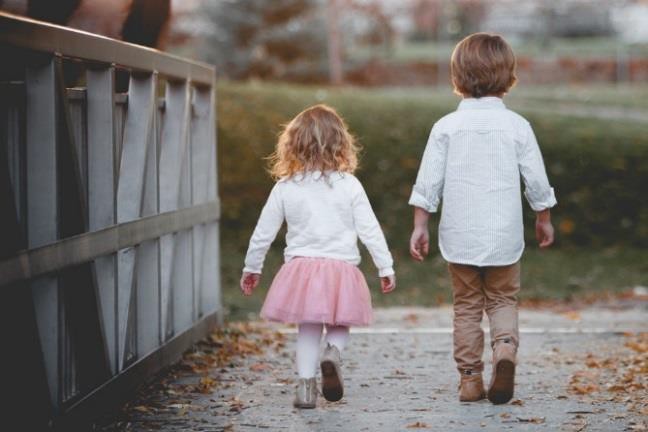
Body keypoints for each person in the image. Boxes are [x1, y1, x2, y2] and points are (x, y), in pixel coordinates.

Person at [408, 33, 557, 404]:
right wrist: (544, 217)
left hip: (460, 236)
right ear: (508, 75)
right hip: (503, 234)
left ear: (457, 75)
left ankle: (470, 380)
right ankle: (504, 349)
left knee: (467, 307)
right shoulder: (517, 126)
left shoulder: (445, 127)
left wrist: (420, 224)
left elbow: (428, 182)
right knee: (503, 299)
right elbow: (536, 179)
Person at [241, 104, 396, 409]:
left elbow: (264, 231)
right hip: (341, 269)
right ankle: (333, 354)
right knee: (340, 322)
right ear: (341, 142)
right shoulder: (350, 185)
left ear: (293, 144)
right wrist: (385, 265)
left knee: (308, 328)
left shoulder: (285, 187)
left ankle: (305, 389)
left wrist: (252, 266)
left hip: (301, 270)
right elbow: (370, 230)